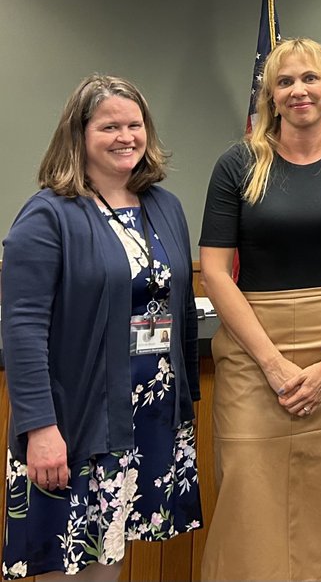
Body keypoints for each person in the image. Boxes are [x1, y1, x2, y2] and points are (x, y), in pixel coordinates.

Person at [1, 74, 201, 581]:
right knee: (62, 563)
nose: (125, 136)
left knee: (108, 559)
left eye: (135, 125)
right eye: (109, 126)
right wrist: (39, 427)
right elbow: (21, 328)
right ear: (79, 135)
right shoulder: (48, 215)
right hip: (73, 421)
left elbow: (177, 308)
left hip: (145, 416)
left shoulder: (164, 207)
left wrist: (182, 408)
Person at [198, 38, 321, 580]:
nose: (298, 90)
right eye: (284, 82)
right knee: (249, 499)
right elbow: (214, 271)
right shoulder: (237, 165)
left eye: (309, 79)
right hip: (253, 351)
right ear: (270, 97)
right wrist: (273, 364)